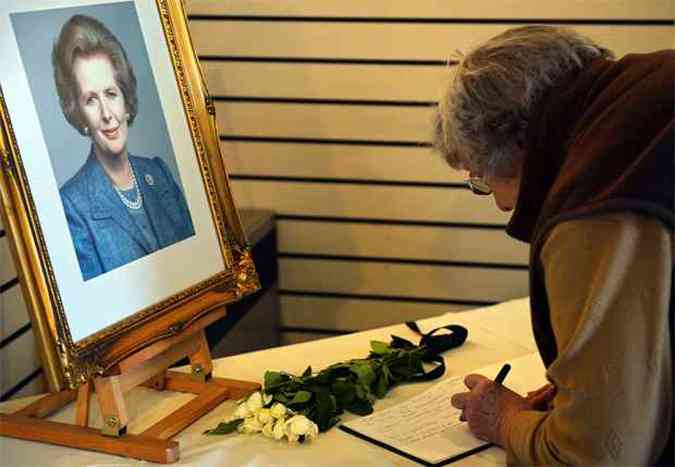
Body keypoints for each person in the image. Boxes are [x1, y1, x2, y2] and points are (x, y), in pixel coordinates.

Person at [433, 26, 673, 465]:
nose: (503, 206)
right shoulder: (652, 85)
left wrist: (505, 421)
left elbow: (597, 456)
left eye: (480, 181)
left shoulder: (595, 202)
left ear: (507, 148)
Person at [52, 15, 194, 281]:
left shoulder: (159, 173)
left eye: (111, 93)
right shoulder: (72, 206)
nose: (107, 114)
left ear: (126, 101)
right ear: (79, 114)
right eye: (91, 99)